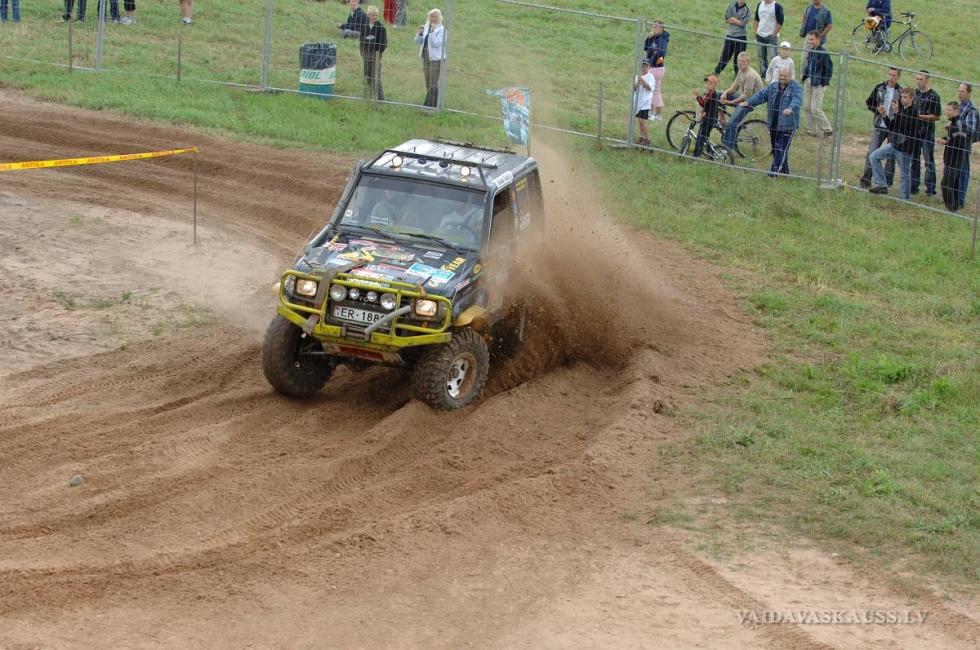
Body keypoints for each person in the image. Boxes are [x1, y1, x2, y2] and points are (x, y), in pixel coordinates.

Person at [742, 66, 802, 177]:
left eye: (785, 76)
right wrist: (749, 102)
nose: (782, 78)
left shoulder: (796, 87)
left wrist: (791, 108)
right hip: (773, 124)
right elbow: (761, 95)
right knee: (776, 149)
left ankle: (773, 174)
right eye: (781, 75)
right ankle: (785, 172)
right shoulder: (773, 86)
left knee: (780, 149)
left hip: (787, 125)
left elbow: (797, 100)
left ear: (790, 76)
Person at [868, 87, 919, 199]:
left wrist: (896, 112)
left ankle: (905, 199)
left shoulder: (914, 112)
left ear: (912, 98)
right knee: (874, 157)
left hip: (905, 148)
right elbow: (892, 126)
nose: (903, 99)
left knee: (904, 174)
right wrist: (884, 115)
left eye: (905, 97)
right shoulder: (901, 110)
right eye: (902, 97)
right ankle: (881, 185)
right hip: (894, 145)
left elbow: (903, 126)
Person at [860, 67, 901, 188]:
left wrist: (897, 112)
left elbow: (903, 110)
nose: (891, 77)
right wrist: (877, 109)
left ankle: (887, 182)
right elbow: (869, 102)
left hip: (893, 128)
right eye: (889, 74)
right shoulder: (879, 87)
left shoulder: (901, 91)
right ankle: (866, 179)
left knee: (891, 156)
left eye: (894, 75)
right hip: (879, 125)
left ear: (898, 77)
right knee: (872, 152)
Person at [720, 52, 764, 150]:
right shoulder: (741, 71)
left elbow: (746, 97)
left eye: (743, 61)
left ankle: (727, 149)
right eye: (739, 61)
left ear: (748, 62)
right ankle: (721, 119)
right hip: (742, 97)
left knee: (732, 123)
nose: (740, 63)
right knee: (717, 95)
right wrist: (725, 92)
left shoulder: (750, 75)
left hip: (749, 102)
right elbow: (734, 87)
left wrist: (730, 102)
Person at [910, 70, 941, 197]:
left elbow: (937, 116)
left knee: (929, 161)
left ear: (927, 80)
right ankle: (913, 187)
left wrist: (920, 116)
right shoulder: (914, 94)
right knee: (914, 160)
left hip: (927, 133)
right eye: (917, 78)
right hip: (914, 132)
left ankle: (930, 189)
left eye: (921, 79)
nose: (918, 81)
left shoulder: (934, 96)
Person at [800, 30, 833, 137]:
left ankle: (827, 129)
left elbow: (829, 70)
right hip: (809, 81)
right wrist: (805, 77)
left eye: (812, 39)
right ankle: (812, 129)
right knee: (807, 107)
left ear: (818, 39)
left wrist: (823, 82)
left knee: (815, 108)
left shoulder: (823, 53)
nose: (810, 42)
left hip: (818, 83)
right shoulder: (811, 51)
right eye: (809, 40)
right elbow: (808, 66)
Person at [938, 102, 970, 212]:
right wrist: (945, 139)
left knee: (945, 184)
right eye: (947, 110)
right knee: (954, 185)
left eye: (949, 110)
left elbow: (960, 144)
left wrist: (946, 142)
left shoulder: (960, 125)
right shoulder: (953, 123)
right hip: (951, 159)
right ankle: (954, 208)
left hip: (954, 161)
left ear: (956, 111)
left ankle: (951, 209)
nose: (947, 112)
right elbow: (953, 138)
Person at [416, 8, 446, 109]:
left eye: (435, 17)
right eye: (431, 16)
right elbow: (418, 41)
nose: (433, 18)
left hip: (436, 59)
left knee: (433, 81)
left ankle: (429, 105)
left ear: (440, 18)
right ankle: (435, 102)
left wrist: (432, 32)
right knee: (428, 80)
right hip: (426, 56)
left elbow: (436, 43)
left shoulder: (442, 30)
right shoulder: (426, 27)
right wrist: (420, 33)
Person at [956, 83, 978, 209]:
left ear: (969, 93)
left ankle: (960, 200)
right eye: (959, 91)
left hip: (964, 145)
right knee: (955, 170)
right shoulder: (959, 106)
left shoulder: (971, 110)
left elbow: (970, 131)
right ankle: (954, 196)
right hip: (956, 143)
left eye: (962, 91)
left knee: (963, 171)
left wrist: (955, 127)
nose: (959, 94)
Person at [715, 0, 751, 76]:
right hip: (730, 36)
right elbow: (726, 19)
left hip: (741, 37)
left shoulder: (747, 10)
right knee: (725, 56)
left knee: (739, 59)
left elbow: (743, 23)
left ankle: (738, 76)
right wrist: (737, 21)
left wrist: (733, 20)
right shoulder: (731, 6)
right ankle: (716, 73)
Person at [644, 19, 670, 121]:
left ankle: (655, 114)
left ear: (661, 29)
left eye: (656, 27)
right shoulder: (653, 37)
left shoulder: (662, 38)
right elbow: (645, 47)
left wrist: (654, 60)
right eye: (653, 26)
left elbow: (662, 52)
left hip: (656, 68)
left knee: (653, 91)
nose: (654, 28)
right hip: (652, 67)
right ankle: (653, 113)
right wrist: (648, 37)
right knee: (653, 91)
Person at [360, 5, 387, 101]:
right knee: (367, 76)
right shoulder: (364, 26)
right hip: (366, 57)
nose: (374, 17)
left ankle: (380, 99)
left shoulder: (381, 28)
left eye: (376, 15)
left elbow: (383, 44)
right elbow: (361, 41)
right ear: (368, 15)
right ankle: (367, 96)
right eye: (372, 15)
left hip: (376, 57)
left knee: (376, 78)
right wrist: (363, 53)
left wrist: (377, 54)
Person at [692, 75, 722, 158]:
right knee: (705, 137)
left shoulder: (711, 94)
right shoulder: (711, 93)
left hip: (708, 120)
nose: (708, 85)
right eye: (707, 83)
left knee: (700, 137)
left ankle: (696, 155)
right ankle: (710, 152)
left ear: (715, 85)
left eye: (710, 84)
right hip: (711, 119)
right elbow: (707, 105)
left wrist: (698, 97)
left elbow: (703, 104)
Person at [753, 0, 783, 75]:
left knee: (773, 57)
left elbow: (780, 22)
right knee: (761, 56)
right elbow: (756, 19)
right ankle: (763, 74)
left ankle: (775, 74)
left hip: (771, 36)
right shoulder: (759, 4)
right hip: (760, 35)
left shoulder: (777, 6)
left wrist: (774, 34)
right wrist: (756, 31)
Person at [633, 60, 656, 146]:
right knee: (640, 121)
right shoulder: (637, 76)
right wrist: (636, 84)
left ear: (649, 67)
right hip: (638, 102)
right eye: (643, 66)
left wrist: (642, 81)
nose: (644, 68)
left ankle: (647, 139)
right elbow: (634, 89)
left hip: (645, 102)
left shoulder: (650, 77)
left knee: (642, 121)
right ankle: (641, 137)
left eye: (646, 66)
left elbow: (650, 88)